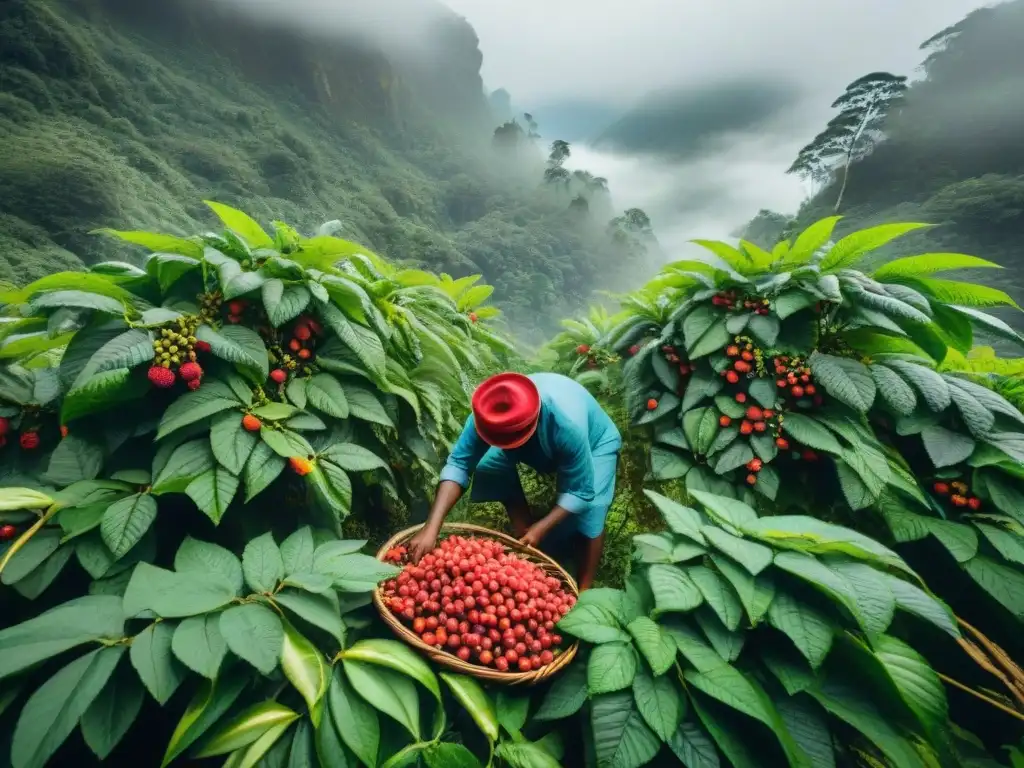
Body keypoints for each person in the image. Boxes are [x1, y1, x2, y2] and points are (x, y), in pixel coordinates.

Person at [408, 371, 621, 591]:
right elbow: (459, 464)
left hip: (596, 443)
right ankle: (524, 539)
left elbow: (580, 492)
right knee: (489, 466)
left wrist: (542, 527)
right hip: (525, 431)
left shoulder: (566, 425)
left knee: (593, 509)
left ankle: (583, 589)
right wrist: (431, 528)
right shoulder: (488, 415)